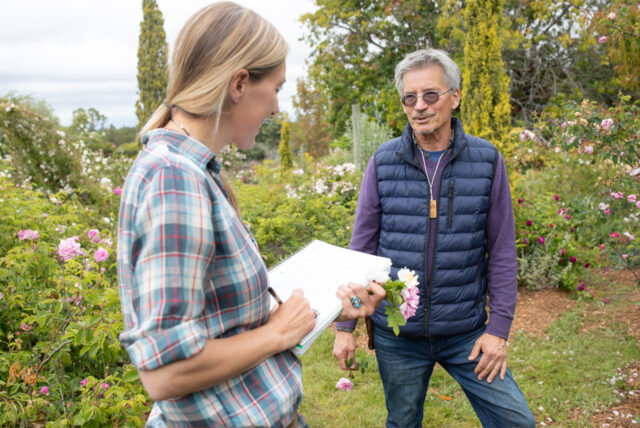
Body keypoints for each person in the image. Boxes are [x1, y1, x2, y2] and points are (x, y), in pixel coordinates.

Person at [116, 3, 386, 427]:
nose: (277, 108)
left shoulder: (191, 170)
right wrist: (278, 333)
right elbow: (166, 372)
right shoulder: (174, 180)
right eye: (276, 88)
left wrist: (326, 306)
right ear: (239, 83)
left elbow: (224, 318)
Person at [333, 48, 536, 428]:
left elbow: (503, 252)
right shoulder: (383, 161)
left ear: (454, 97)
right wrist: (346, 328)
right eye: (410, 98)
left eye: (431, 95)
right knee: (403, 422)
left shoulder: (487, 160)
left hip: (467, 332)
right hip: (400, 335)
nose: (419, 107)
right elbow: (360, 249)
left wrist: (499, 330)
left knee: (516, 421)